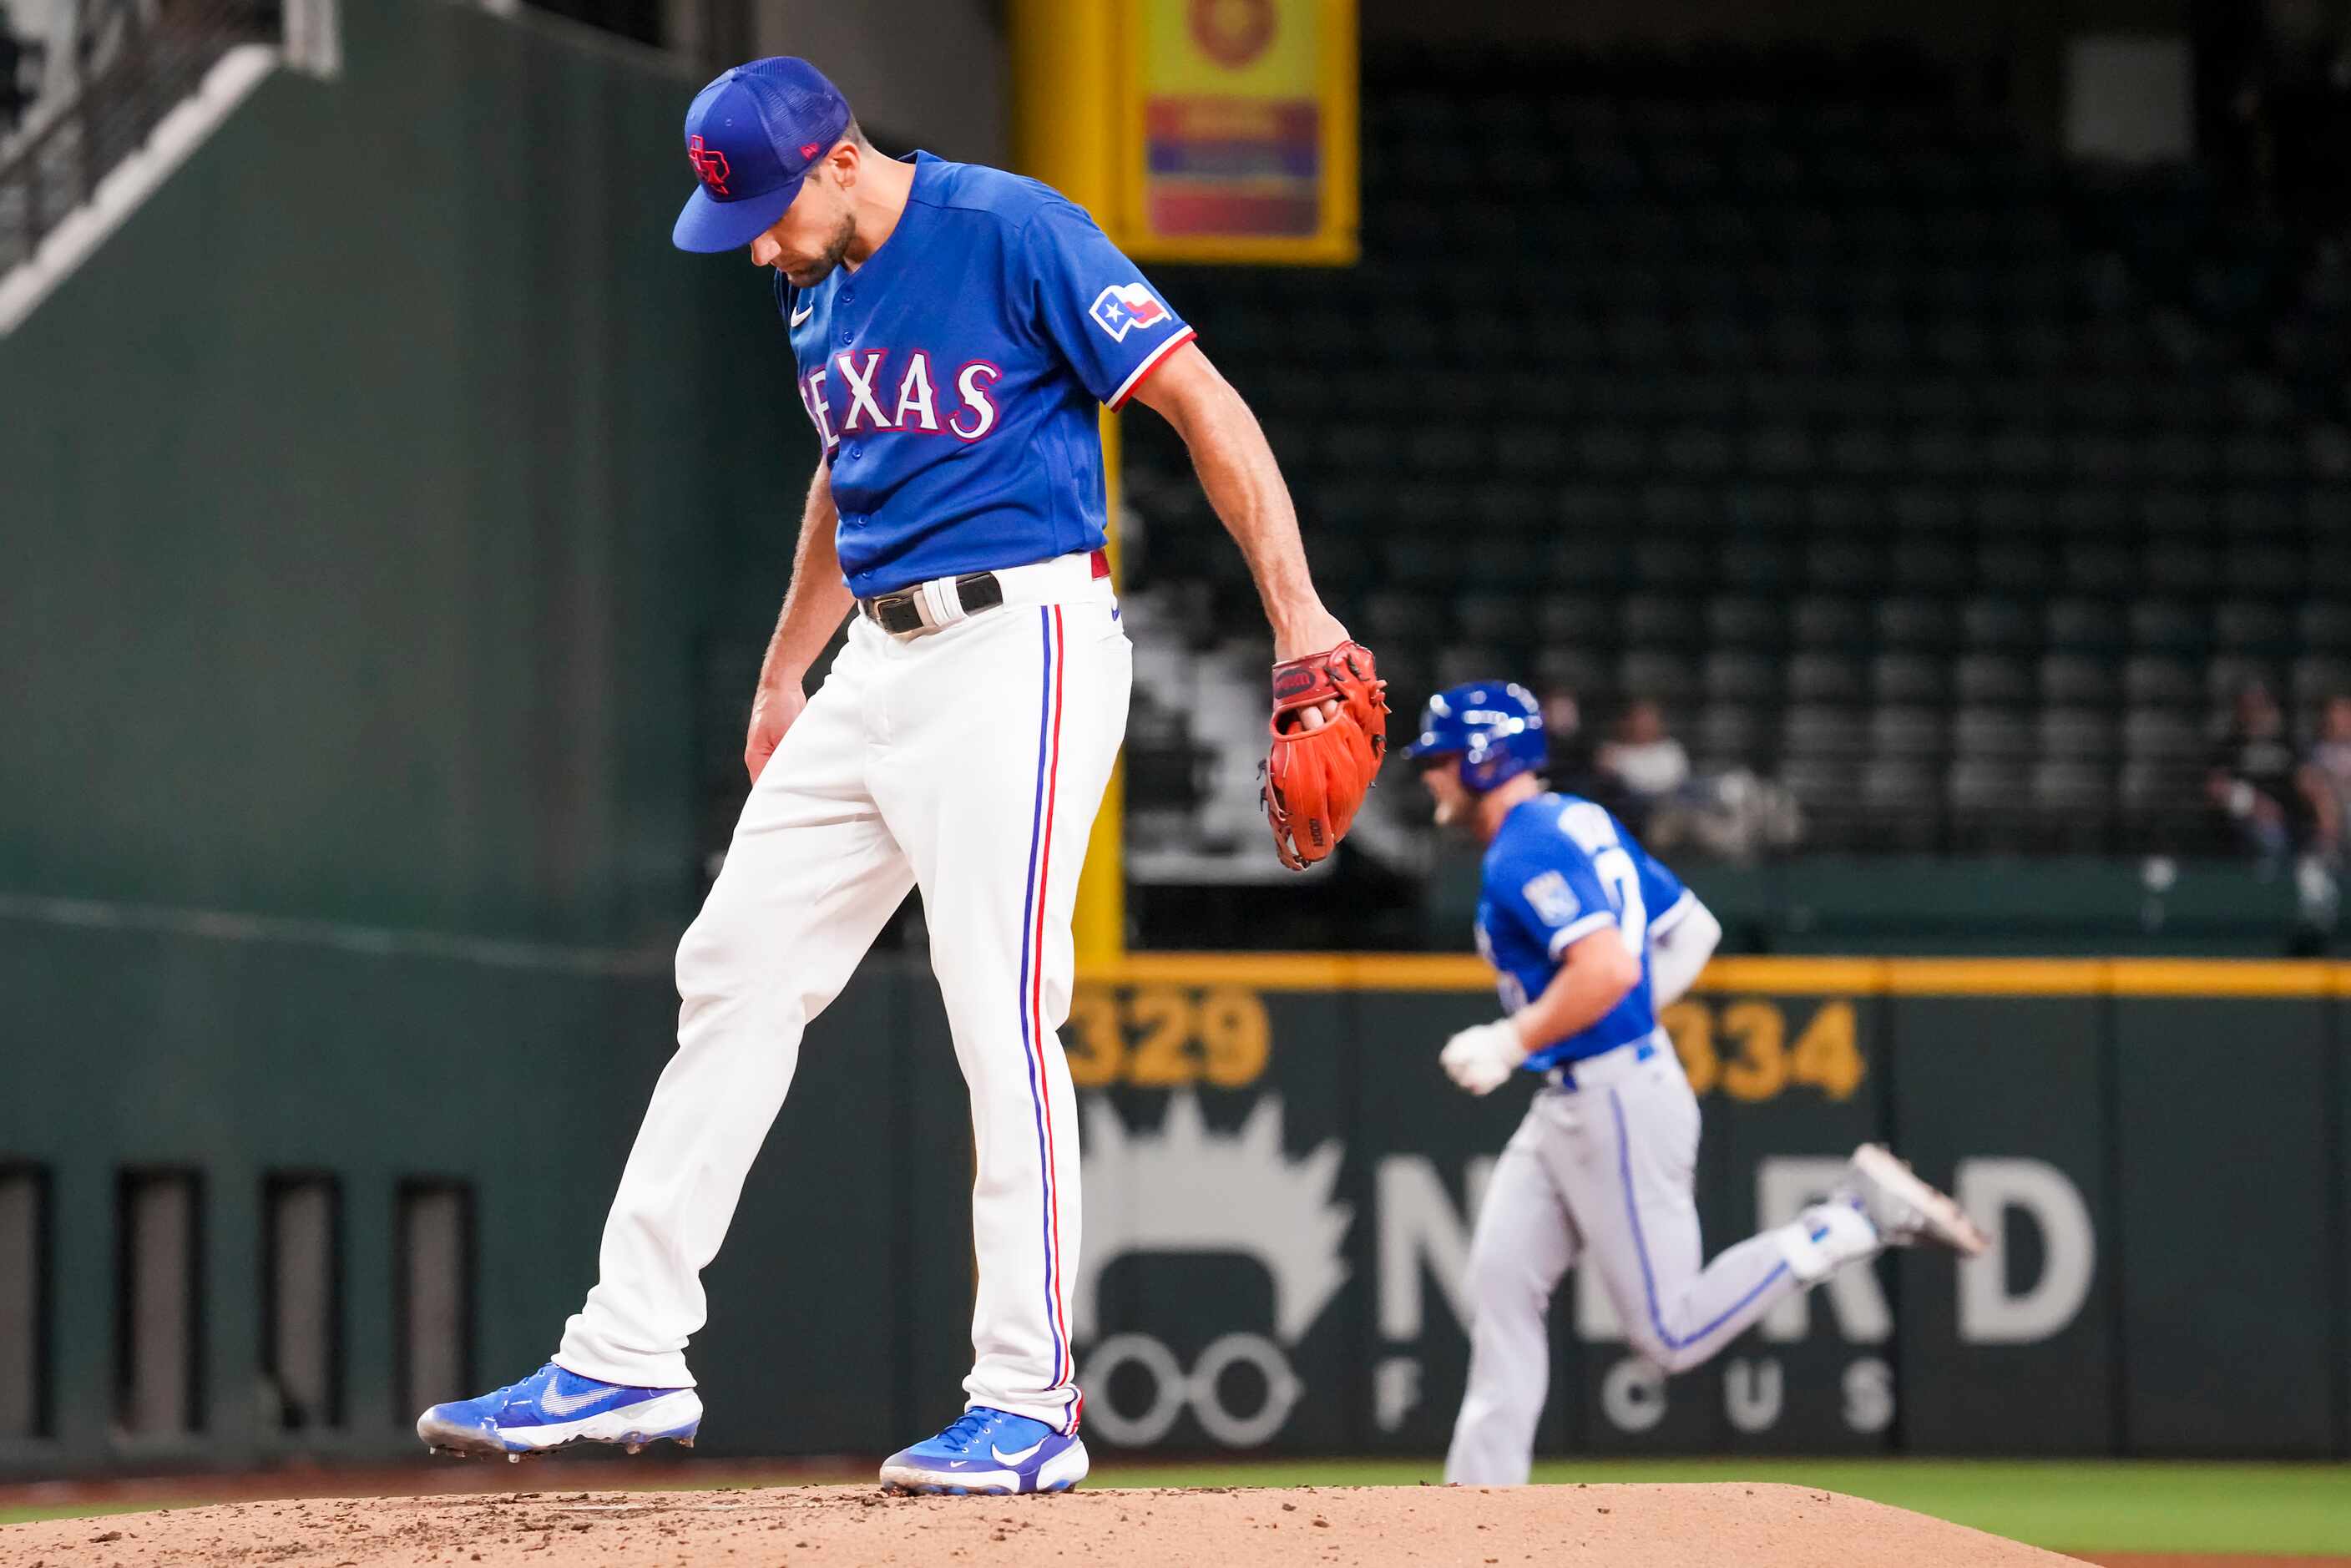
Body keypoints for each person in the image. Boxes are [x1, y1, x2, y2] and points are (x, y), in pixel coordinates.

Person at [414, 56, 1366, 1497]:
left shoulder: (1009, 229)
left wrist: (1298, 614)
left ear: (838, 159)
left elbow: (1198, 400)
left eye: (763, 213)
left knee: (1002, 1009)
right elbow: (841, 470)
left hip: (1023, 640)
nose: (753, 247)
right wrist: (782, 674)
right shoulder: (818, 286)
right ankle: (628, 1347)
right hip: (877, 658)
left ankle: (1029, 1397)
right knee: (732, 963)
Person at [1401, 682, 1985, 1487]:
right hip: (1583, 1092)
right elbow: (1694, 930)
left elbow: (1604, 967)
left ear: (1480, 757)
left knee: (1669, 1335)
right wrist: (1612, 1017)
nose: (1428, 774)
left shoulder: (1523, 848)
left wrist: (1515, 1038)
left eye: (1437, 758)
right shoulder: (1576, 819)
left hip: (1617, 1101)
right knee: (1500, 1280)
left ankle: (1849, 1222)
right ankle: (1477, 1506)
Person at [2207, 680, 2323, 867]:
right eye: (2248, 707)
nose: (2255, 714)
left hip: (2289, 815)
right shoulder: (2231, 746)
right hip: (2248, 818)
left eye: (2260, 706)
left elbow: (2308, 779)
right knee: (2268, 834)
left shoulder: (2287, 742)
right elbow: (2216, 787)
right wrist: (2254, 803)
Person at [1592, 696, 1690, 832]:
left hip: (1675, 805)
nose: (1644, 725)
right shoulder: (1611, 752)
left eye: (1649, 720)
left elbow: (1677, 781)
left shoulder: (1670, 749)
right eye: (1639, 720)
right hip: (1640, 814)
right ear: (1626, 722)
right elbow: (1623, 788)